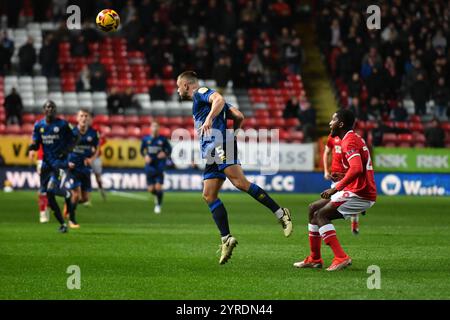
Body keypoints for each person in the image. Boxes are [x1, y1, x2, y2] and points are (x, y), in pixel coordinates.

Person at [176, 71, 292, 265]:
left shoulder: (200, 93)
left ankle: (281, 213)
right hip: (215, 149)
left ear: (187, 85)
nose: (177, 89)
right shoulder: (204, 103)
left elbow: (218, 98)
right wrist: (234, 134)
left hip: (219, 144)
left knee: (240, 183)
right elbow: (238, 115)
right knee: (208, 194)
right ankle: (226, 239)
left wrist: (210, 120)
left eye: (178, 85)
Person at [294, 109, 377, 271]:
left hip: (361, 193)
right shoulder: (351, 138)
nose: (330, 123)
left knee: (322, 215)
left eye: (333, 120)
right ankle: (315, 258)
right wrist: (342, 176)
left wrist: (335, 189)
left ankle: (341, 257)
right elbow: (356, 169)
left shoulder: (349, 141)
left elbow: (357, 168)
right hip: (355, 188)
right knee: (313, 209)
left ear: (341, 124)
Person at [27, 101, 79, 233]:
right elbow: (37, 143)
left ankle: (66, 199)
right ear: (43, 110)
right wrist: (32, 147)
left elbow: (76, 135)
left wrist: (67, 151)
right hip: (46, 164)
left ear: (55, 110)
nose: (50, 109)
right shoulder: (39, 125)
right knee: (47, 195)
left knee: (50, 190)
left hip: (59, 163)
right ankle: (63, 223)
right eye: (47, 107)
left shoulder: (63, 124)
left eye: (52, 107)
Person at [64, 109, 100, 228]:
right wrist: (67, 161)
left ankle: (68, 204)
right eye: (81, 116)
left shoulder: (93, 133)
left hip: (85, 168)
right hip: (73, 168)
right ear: (77, 118)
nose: (84, 118)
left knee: (84, 199)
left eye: (86, 116)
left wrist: (91, 159)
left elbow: (97, 149)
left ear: (89, 118)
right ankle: (72, 220)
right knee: (76, 194)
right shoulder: (71, 133)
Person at [140, 122, 172, 214]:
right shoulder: (146, 139)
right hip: (149, 167)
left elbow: (169, 149)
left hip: (159, 167)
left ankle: (158, 205)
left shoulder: (162, 139)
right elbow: (142, 150)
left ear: (158, 128)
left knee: (158, 187)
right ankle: (159, 195)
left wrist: (164, 153)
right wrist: (145, 156)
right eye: (153, 126)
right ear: (150, 128)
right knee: (151, 189)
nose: (154, 128)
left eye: (156, 126)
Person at [28, 144, 49, 223]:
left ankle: (47, 204)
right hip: (42, 160)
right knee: (44, 186)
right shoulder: (39, 131)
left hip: (55, 159)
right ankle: (42, 212)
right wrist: (32, 150)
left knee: (52, 187)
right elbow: (35, 139)